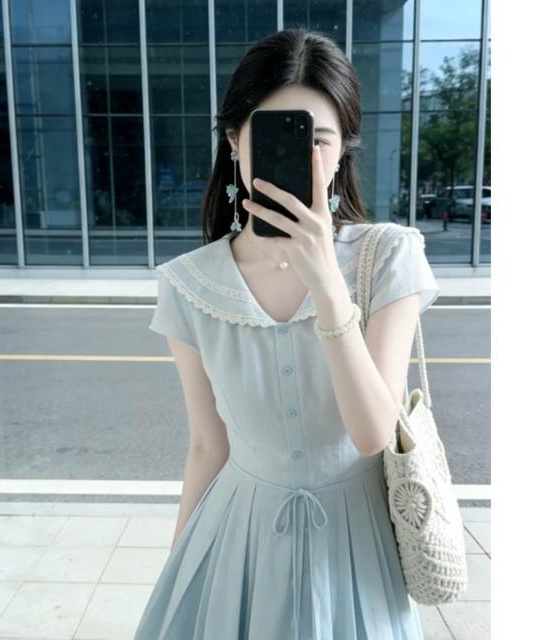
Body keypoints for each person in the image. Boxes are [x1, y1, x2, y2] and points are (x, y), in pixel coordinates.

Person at [135, 28, 439, 640]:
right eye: (277, 136)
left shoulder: (389, 256)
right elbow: (208, 447)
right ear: (234, 141)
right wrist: (178, 573)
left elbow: (373, 433)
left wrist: (326, 282)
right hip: (236, 540)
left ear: (343, 151)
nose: (304, 158)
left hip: (355, 551)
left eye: (319, 140)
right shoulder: (189, 283)